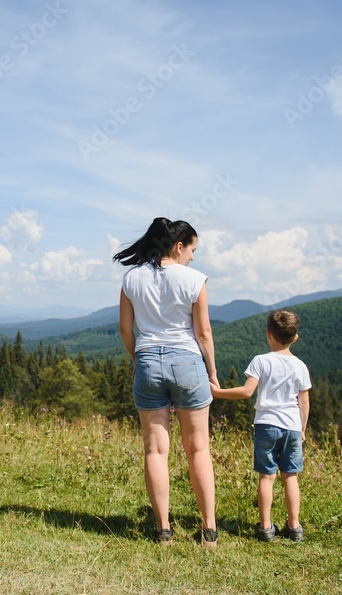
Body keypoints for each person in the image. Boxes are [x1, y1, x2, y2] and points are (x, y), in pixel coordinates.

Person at [114, 217, 219, 546]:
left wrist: (137, 360)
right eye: (192, 249)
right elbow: (202, 333)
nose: (192, 256)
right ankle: (209, 529)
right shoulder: (194, 279)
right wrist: (212, 372)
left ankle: (163, 529)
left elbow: (125, 330)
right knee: (198, 448)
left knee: (155, 450)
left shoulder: (131, 279)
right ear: (178, 246)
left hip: (148, 362)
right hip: (187, 362)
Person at [210, 309, 311, 542]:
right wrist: (302, 428)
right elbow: (303, 401)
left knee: (266, 477)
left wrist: (218, 392)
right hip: (292, 427)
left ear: (268, 334)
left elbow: (246, 392)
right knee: (290, 477)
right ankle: (294, 526)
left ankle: (266, 527)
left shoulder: (261, 361)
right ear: (294, 337)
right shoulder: (301, 366)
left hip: (266, 425)